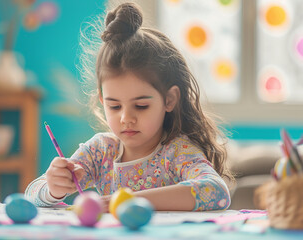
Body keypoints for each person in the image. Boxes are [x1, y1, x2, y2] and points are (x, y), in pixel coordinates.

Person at [25, 2, 233, 211]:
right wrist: (53, 188)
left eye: (141, 106)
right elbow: (32, 193)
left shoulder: (177, 152)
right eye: (114, 106)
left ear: (169, 100)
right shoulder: (100, 151)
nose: (126, 118)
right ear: (101, 99)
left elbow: (217, 192)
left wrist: (127, 200)